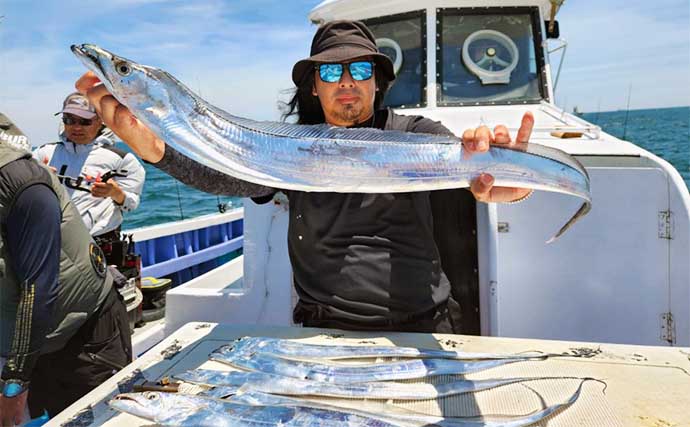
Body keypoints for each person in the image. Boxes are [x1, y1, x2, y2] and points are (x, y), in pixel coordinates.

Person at [77, 20, 533, 333]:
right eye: (332, 71)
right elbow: (226, 176)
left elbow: (477, 175)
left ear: (377, 81)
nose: (347, 81)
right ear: (315, 85)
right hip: (324, 329)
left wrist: (510, 187)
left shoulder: (414, 135)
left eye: (360, 69)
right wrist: (155, 150)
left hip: (424, 325)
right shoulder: (288, 151)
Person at [0, 137, 132, 423]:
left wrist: (14, 383)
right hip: (22, 335)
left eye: (84, 121)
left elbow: (39, 287)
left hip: (83, 334)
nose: (76, 128)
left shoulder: (21, 182)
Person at [32, 93, 146, 239]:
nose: (77, 127)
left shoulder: (123, 160)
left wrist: (115, 193)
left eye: (85, 121)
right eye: (69, 120)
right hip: (49, 238)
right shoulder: (43, 154)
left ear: (100, 121)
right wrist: (37, 178)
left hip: (100, 243)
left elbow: (131, 204)